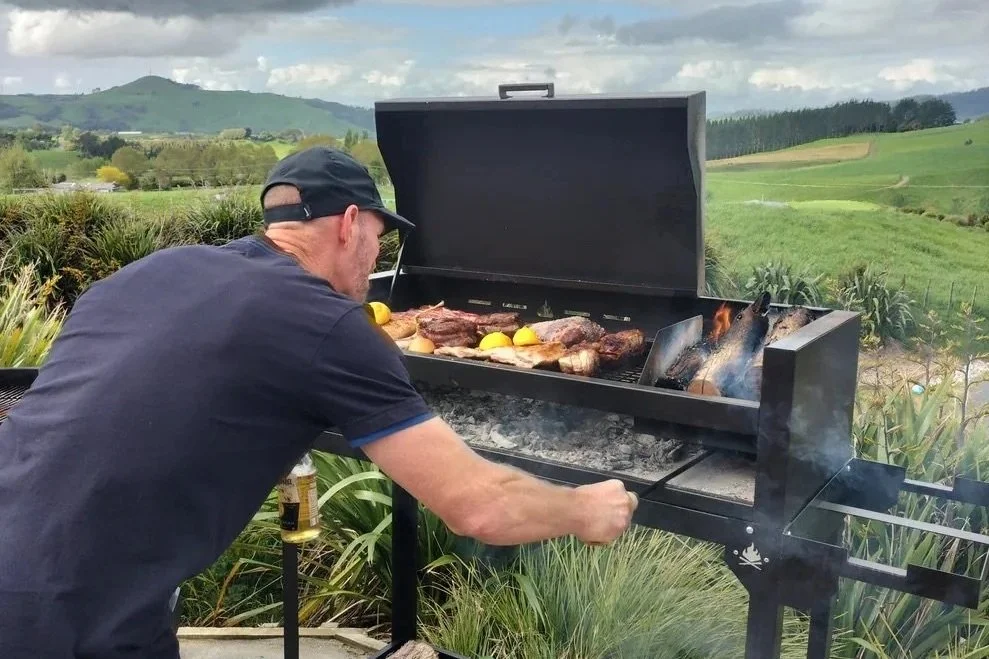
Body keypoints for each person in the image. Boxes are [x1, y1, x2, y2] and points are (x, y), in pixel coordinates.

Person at [0, 146, 637, 658]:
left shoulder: (153, 271)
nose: (376, 257)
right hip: (69, 616)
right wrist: (583, 509)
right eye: (378, 238)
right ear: (351, 222)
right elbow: (480, 507)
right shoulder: (326, 323)